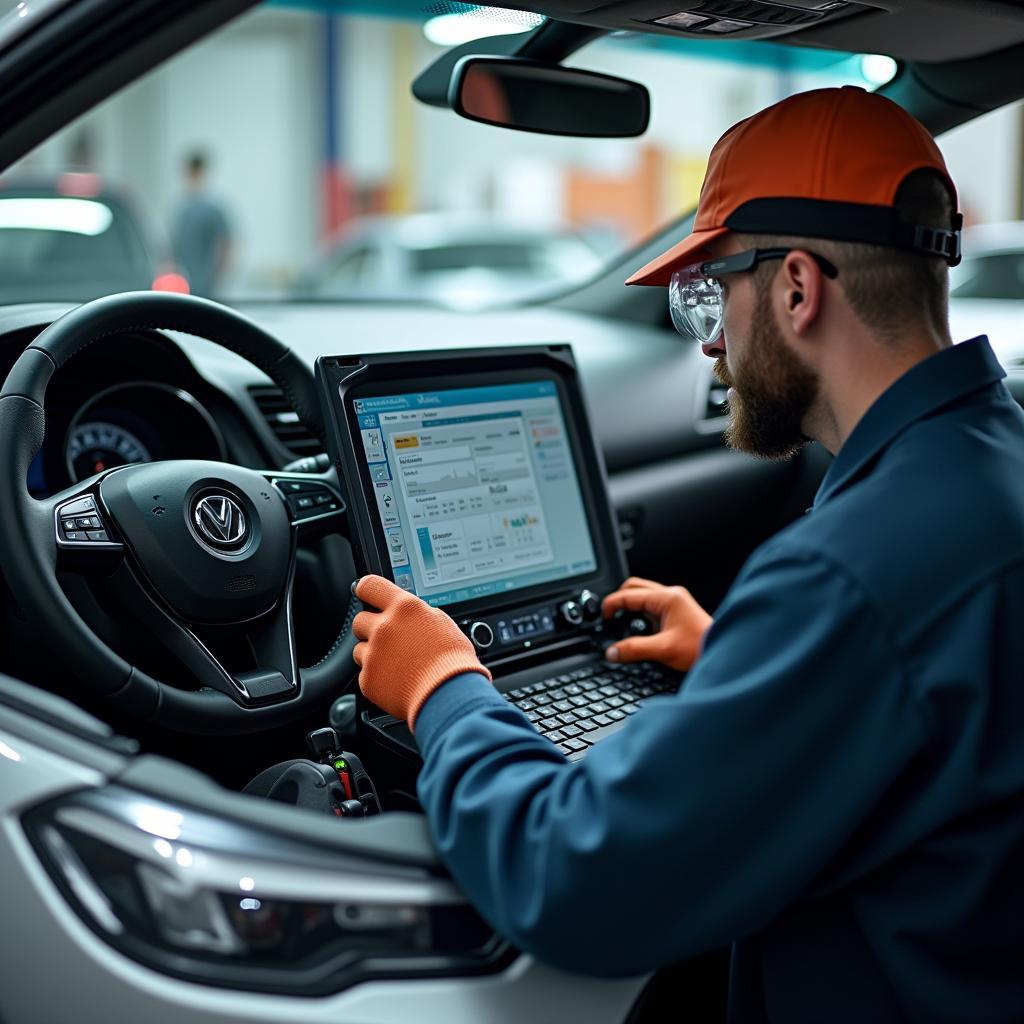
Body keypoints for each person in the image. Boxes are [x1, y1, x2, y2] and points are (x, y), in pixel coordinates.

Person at [350, 86, 1024, 1022]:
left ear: (797, 287)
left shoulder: (850, 578)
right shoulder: (994, 465)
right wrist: (745, 665)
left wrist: (444, 687)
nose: (712, 349)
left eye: (716, 295)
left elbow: (572, 877)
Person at [172, 151, 231, 299]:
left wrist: (215, 278)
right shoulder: (182, 209)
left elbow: (225, 245)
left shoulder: (213, 209)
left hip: (207, 287)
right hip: (185, 285)